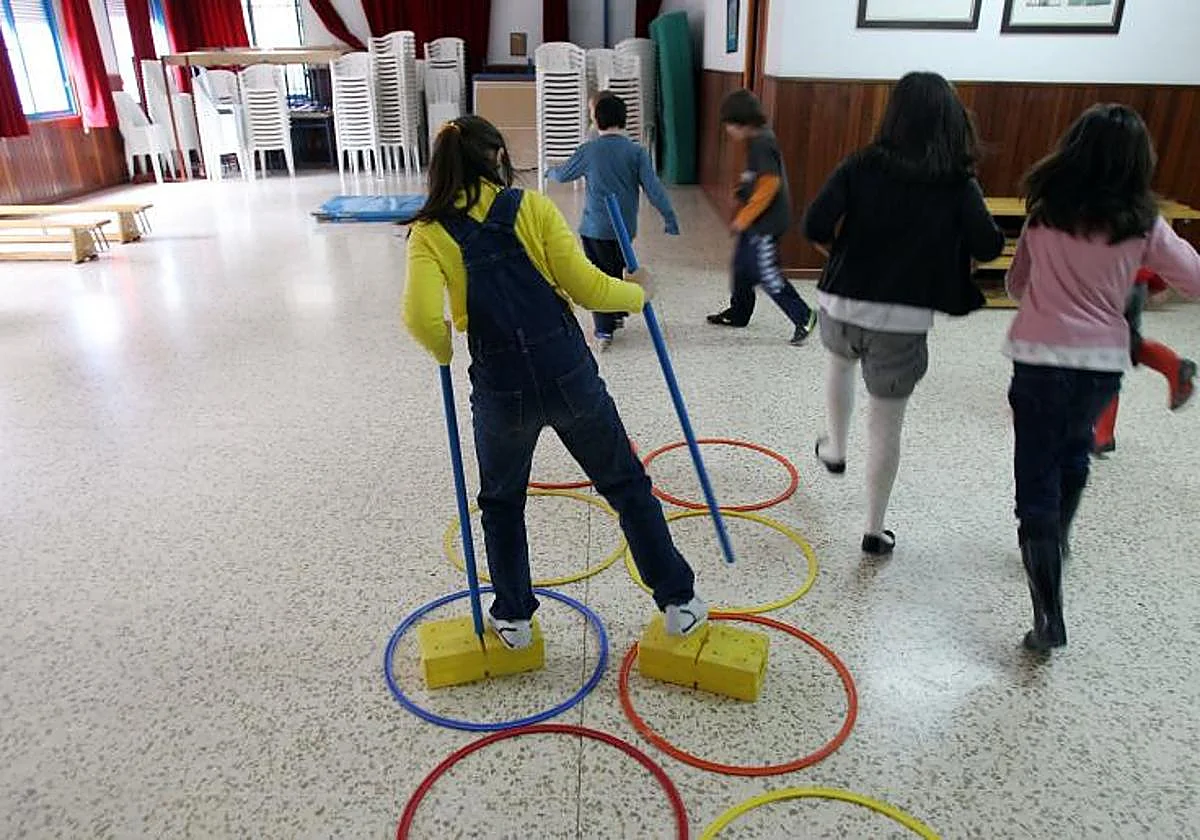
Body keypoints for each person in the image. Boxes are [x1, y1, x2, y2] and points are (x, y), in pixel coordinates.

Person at [404, 116, 706, 649]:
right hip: (568, 374)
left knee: (501, 502)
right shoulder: (533, 208)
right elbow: (587, 288)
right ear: (498, 155)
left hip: (500, 390)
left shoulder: (429, 232)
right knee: (626, 486)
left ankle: (515, 619)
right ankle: (678, 602)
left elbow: (421, 318)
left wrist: (444, 347)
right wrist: (638, 293)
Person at [1004, 103, 1200, 652]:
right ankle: (1060, 540)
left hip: (1039, 359)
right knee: (1074, 453)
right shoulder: (1144, 223)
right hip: (1101, 365)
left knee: (1034, 478)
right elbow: (1194, 280)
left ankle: (1048, 614)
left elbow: (1018, 285)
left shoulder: (1044, 213)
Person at [802, 71, 1004, 556]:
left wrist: (843, 260)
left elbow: (814, 223)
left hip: (843, 301)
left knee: (838, 365)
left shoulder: (862, 163)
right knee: (887, 423)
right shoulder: (957, 183)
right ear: (950, 122)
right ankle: (874, 529)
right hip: (904, 321)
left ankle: (834, 449)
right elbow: (990, 245)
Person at [547, 92, 680, 350]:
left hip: (594, 228)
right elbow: (654, 189)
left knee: (599, 275)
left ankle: (604, 329)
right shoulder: (636, 152)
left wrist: (548, 171)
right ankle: (617, 313)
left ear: (596, 121)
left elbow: (564, 175)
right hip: (624, 228)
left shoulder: (589, 150)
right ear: (625, 120)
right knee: (618, 268)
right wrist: (670, 218)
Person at [707, 88, 817, 345]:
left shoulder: (763, 143)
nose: (728, 131)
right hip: (756, 221)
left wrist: (744, 217)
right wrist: (742, 190)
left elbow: (769, 185)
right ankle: (739, 313)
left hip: (767, 223)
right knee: (742, 268)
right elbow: (756, 178)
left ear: (744, 122)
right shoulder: (757, 141)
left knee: (766, 272)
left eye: (730, 125)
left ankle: (804, 316)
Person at [1092, 266, 1197, 454]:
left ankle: (1102, 435)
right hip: (1134, 281)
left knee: (1103, 357)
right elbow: (1153, 242)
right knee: (1122, 346)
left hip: (1101, 281)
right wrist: (1155, 280)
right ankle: (1173, 366)